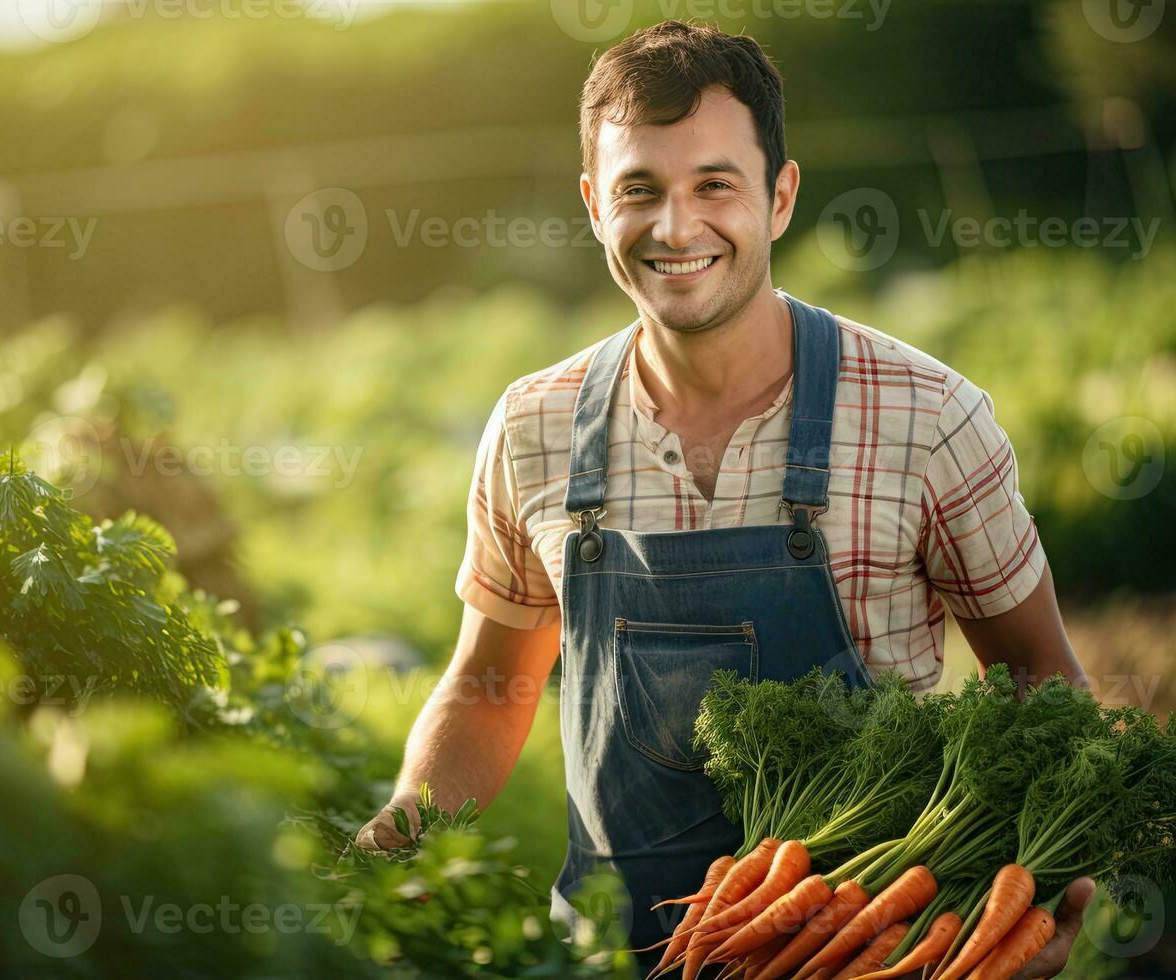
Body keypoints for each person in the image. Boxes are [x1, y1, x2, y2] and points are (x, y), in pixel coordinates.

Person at [359, 20, 1093, 978]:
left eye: (714, 184)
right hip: (613, 958)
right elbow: (488, 689)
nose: (675, 226)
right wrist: (401, 833)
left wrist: (1031, 902)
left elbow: (1038, 674)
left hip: (864, 954)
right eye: (639, 190)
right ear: (592, 205)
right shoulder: (531, 426)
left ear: (778, 197)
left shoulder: (928, 416)